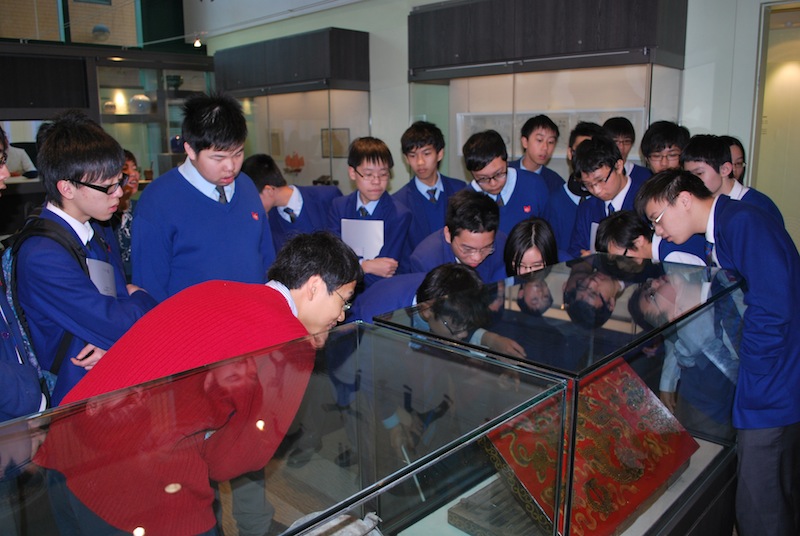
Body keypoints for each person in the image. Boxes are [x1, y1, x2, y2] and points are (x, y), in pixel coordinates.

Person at [35, 231, 363, 536]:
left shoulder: (218, 288)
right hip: (134, 482)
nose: (342, 316)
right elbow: (238, 457)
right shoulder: (290, 344)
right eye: (344, 300)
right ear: (315, 286)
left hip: (68, 440)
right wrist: (202, 449)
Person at [634, 169, 800, 536]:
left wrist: (751, 373)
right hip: (769, 381)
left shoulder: (742, 224)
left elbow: (773, 307)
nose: (657, 231)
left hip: (771, 386)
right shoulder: (727, 227)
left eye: (657, 219)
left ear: (684, 199)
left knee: (760, 504)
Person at [14, 111, 157, 405]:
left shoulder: (96, 225)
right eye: (108, 187)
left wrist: (115, 339)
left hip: (113, 385)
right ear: (66, 188)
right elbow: (117, 322)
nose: (119, 193)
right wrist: (141, 298)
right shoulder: (42, 255)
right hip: (76, 399)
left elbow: (115, 308)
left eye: (120, 181)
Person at [132, 92, 275, 302]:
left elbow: (267, 258)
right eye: (218, 158)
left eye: (238, 154)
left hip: (252, 316)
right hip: (192, 321)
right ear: (190, 150)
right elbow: (150, 287)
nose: (230, 166)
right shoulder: (158, 201)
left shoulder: (246, 186)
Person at [328, 137, 412, 287]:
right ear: (352, 172)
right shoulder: (339, 206)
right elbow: (332, 259)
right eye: (368, 174)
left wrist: (349, 269)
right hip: (341, 291)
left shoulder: (399, 214)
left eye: (383, 174)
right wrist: (364, 266)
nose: (376, 181)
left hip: (382, 291)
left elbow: (386, 269)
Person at [242, 153, 342, 253]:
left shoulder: (327, 198)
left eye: (253, 197)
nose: (251, 204)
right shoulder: (268, 221)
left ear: (269, 190)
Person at [567, 135, 647, 259]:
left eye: (601, 180)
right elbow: (576, 251)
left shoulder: (646, 201)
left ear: (618, 166)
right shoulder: (587, 209)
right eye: (588, 185)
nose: (597, 190)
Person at [393, 121, 467, 251]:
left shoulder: (460, 189)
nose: (420, 162)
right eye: (413, 156)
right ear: (406, 159)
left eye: (426, 154)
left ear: (440, 154)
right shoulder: (398, 201)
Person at [681, 134, 783, 225]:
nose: (692, 181)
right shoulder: (698, 204)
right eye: (688, 175)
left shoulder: (758, 206)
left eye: (699, 173)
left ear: (725, 170)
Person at [463, 130, 549, 236]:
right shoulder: (466, 200)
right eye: (483, 179)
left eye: (499, 174)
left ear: (506, 161)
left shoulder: (534, 185)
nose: (493, 183)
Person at [409, 189, 506, 283]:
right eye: (467, 249)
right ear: (448, 234)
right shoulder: (426, 262)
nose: (477, 257)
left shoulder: (502, 244)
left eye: (486, 248)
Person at [544, 121, 603, 261]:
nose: (585, 159)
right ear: (570, 153)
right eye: (580, 151)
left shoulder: (605, 202)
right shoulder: (554, 200)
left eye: (591, 153)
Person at [595, 210, 706, 265]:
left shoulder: (672, 257)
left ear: (639, 241)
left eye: (622, 257)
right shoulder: (662, 247)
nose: (621, 264)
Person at [509, 114, 565, 193]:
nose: (545, 147)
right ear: (525, 142)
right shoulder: (506, 172)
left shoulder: (556, 182)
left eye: (550, 142)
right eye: (539, 140)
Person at [111, 150, 140, 283]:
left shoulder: (142, 207)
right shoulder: (104, 215)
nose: (133, 174)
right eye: (125, 169)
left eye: (135, 168)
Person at [602, 116, 651, 182]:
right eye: (615, 141)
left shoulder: (645, 175)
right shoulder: (596, 176)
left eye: (626, 141)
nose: (621, 147)